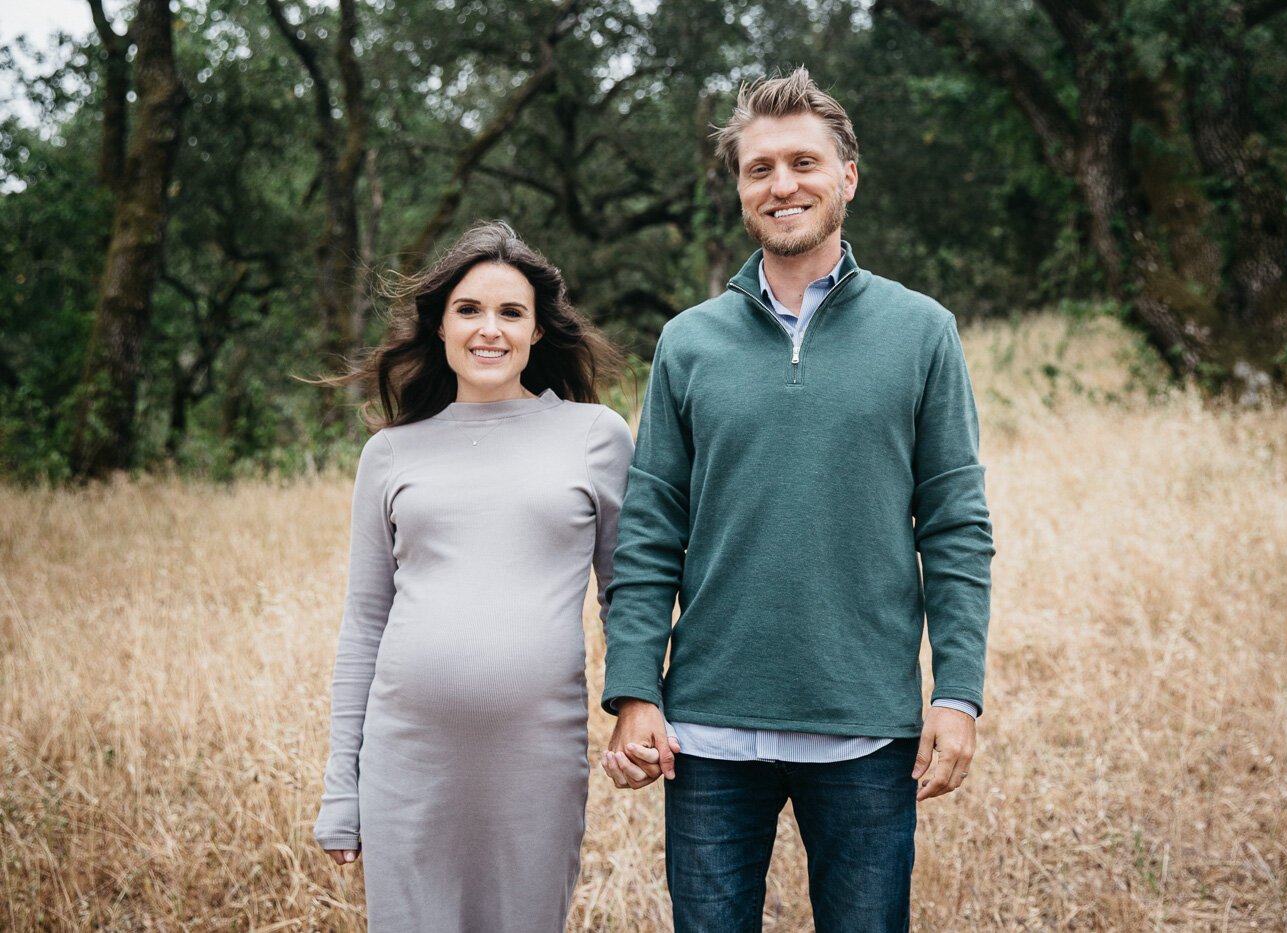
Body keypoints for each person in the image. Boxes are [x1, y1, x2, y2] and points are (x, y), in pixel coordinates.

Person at [599, 69, 995, 932]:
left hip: (866, 730)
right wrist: (635, 687)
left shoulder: (921, 330)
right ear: (740, 187)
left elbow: (958, 526)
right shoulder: (687, 341)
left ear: (848, 174)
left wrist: (957, 694)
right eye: (759, 168)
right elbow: (650, 530)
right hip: (705, 735)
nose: (782, 185)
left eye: (804, 162)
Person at [312, 220, 632, 932]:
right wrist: (343, 786)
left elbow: (627, 597)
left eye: (511, 312)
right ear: (440, 325)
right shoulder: (391, 454)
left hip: (535, 757)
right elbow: (365, 621)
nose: (490, 329)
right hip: (407, 757)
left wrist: (637, 706)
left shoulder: (596, 437)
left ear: (538, 331)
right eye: (470, 309)